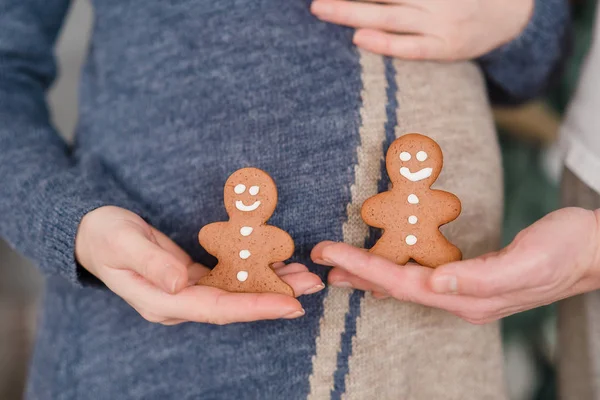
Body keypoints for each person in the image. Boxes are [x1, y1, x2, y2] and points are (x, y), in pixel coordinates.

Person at [0, 0, 568, 398]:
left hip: (431, 351)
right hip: (165, 351)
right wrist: (67, 223)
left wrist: (522, 19)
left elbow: (536, 65)